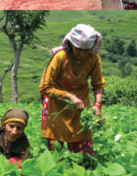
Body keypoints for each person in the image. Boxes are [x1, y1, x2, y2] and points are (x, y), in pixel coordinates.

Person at [40, 24, 104, 161]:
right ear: (70, 44)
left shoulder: (94, 59)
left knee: (83, 153)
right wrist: (69, 96)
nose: (82, 54)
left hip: (80, 106)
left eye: (86, 50)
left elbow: (98, 84)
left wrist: (97, 105)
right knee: (56, 153)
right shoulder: (60, 57)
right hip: (56, 105)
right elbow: (45, 87)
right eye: (78, 50)